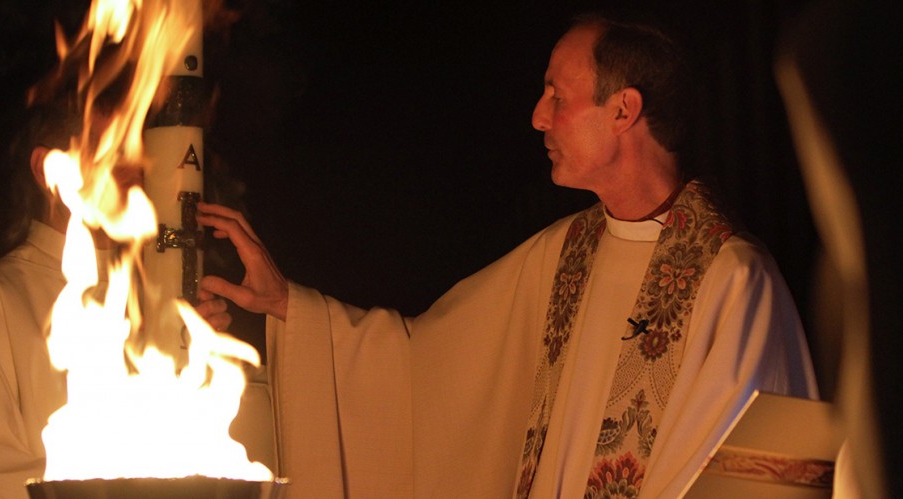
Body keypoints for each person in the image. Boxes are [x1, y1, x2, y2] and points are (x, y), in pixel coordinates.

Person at [195, 12, 818, 499]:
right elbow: (420, 370)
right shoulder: (562, 256)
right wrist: (286, 302)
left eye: (557, 96)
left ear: (623, 110)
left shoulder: (733, 281)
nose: (537, 117)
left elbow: (759, 477)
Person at [0, 90, 232, 498]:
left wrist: (198, 361)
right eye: (106, 148)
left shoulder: (159, 299)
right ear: (49, 169)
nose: (132, 166)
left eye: (134, 146)